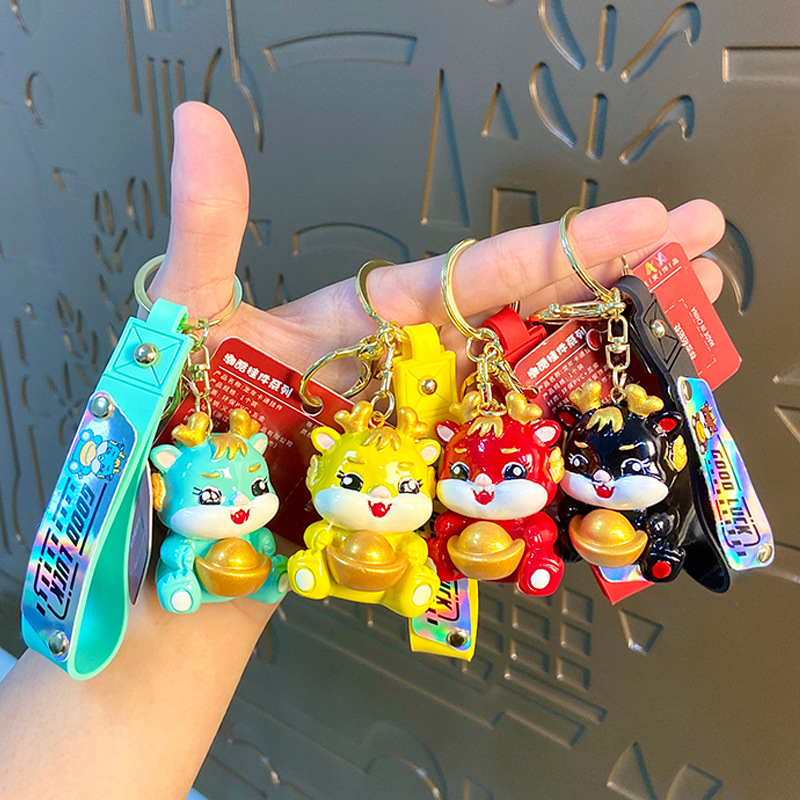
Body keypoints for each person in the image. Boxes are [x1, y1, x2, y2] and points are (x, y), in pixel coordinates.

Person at [0, 101, 725, 799]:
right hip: (273, 541)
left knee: (453, 549)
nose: (383, 499)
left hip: (459, 537)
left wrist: (524, 540)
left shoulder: (507, 474)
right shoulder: (275, 478)